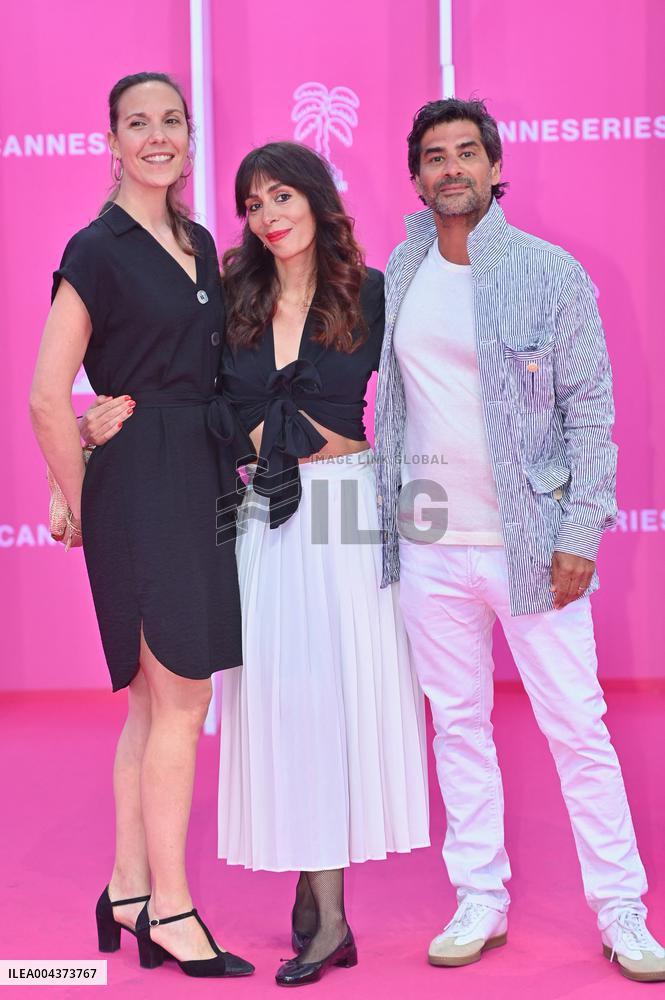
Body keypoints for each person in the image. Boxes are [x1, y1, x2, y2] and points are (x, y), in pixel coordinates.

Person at [374, 97, 665, 983]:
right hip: (429, 541)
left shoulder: (550, 273)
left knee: (576, 726)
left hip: (531, 545)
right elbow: (387, 402)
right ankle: (480, 897)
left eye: (467, 153)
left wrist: (580, 530)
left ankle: (623, 913)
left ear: (496, 169)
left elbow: (591, 412)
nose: (450, 168)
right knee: (456, 725)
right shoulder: (400, 265)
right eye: (434, 156)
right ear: (416, 175)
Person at [30, 72, 253, 979]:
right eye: (138, 124)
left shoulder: (201, 242)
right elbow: (48, 395)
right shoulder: (97, 248)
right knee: (184, 698)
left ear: (189, 137)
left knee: (154, 703)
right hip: (140, 488)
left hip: (196, 473)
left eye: (172, 121)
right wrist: (86, 501)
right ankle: (171, 907)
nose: (157, 136)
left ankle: (126, 890)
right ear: (111, 142)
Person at [217, 141, 430, 987]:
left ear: (314, 198)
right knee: (282, 697)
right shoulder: (234, 294)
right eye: (253, 204)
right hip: (258, 513)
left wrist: (432, 517)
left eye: (282, 197)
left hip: (345, 499)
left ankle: (328, 911)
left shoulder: (369, 291)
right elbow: (199, 397)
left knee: (336, 699)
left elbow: (425, 400)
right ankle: (316, 890)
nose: (269, 216)